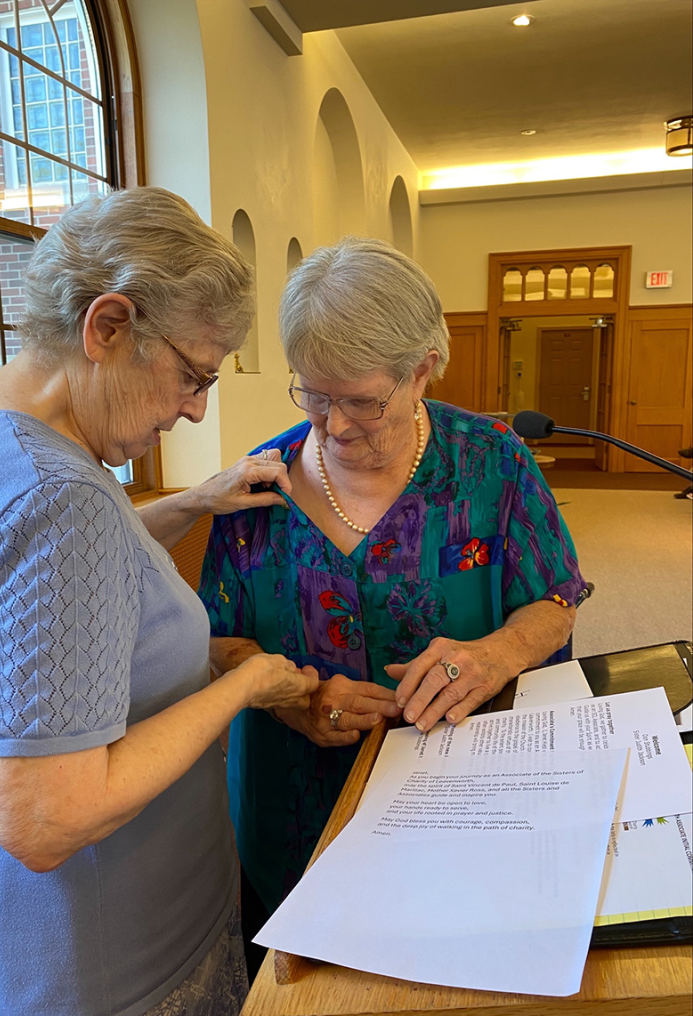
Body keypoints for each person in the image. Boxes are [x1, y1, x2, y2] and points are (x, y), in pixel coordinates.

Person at [0, 187, 320, 1016]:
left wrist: (192, 502)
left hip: (12, 941)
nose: (195, 408)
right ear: (107, 326)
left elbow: (34, 592)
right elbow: (46, 820)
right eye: (193, 375)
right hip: (111, 964)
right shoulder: (58, 500)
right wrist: (243, 687)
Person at [198, 237, 586, 975]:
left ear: (422, 371)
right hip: (296, 800)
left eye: (361, 401)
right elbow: (216, 639)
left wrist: (495, 654)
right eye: (314, 395)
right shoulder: (258, 486)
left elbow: (556, 598)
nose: (334, 425)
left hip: (464, 796)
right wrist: (295, 700)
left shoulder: (491, 460)